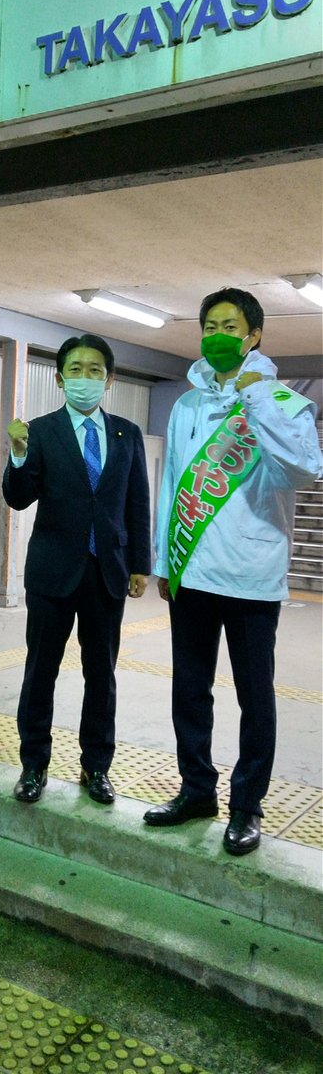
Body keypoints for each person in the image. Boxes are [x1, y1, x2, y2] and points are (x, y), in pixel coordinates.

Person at [144, 288, 322, 855]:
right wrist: (164, 562)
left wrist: (257, 397)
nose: (217, 335)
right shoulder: (188, 406)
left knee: (255, 698)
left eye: (229, 326)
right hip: (192, 574)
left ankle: (247, 806)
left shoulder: (287, 403)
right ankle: (196, 791)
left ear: (254, 336)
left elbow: (303, 469)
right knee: (189, 691)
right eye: (209, 326)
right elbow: (173, 482)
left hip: (252, 576)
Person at [2, 333, 151, 805]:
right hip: (53, 573)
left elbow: (137, 502)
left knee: (101, 675)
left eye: (94, 370)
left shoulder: (127, 433)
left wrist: (140, 564)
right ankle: (34, 765)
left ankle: (96, 767)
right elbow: (18, 498)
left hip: (107, 572)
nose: (85, 378)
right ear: (59, 378)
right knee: (40, 671)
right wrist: (19, 455)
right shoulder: (39, 431)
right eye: (76, 370)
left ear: (109, 380)